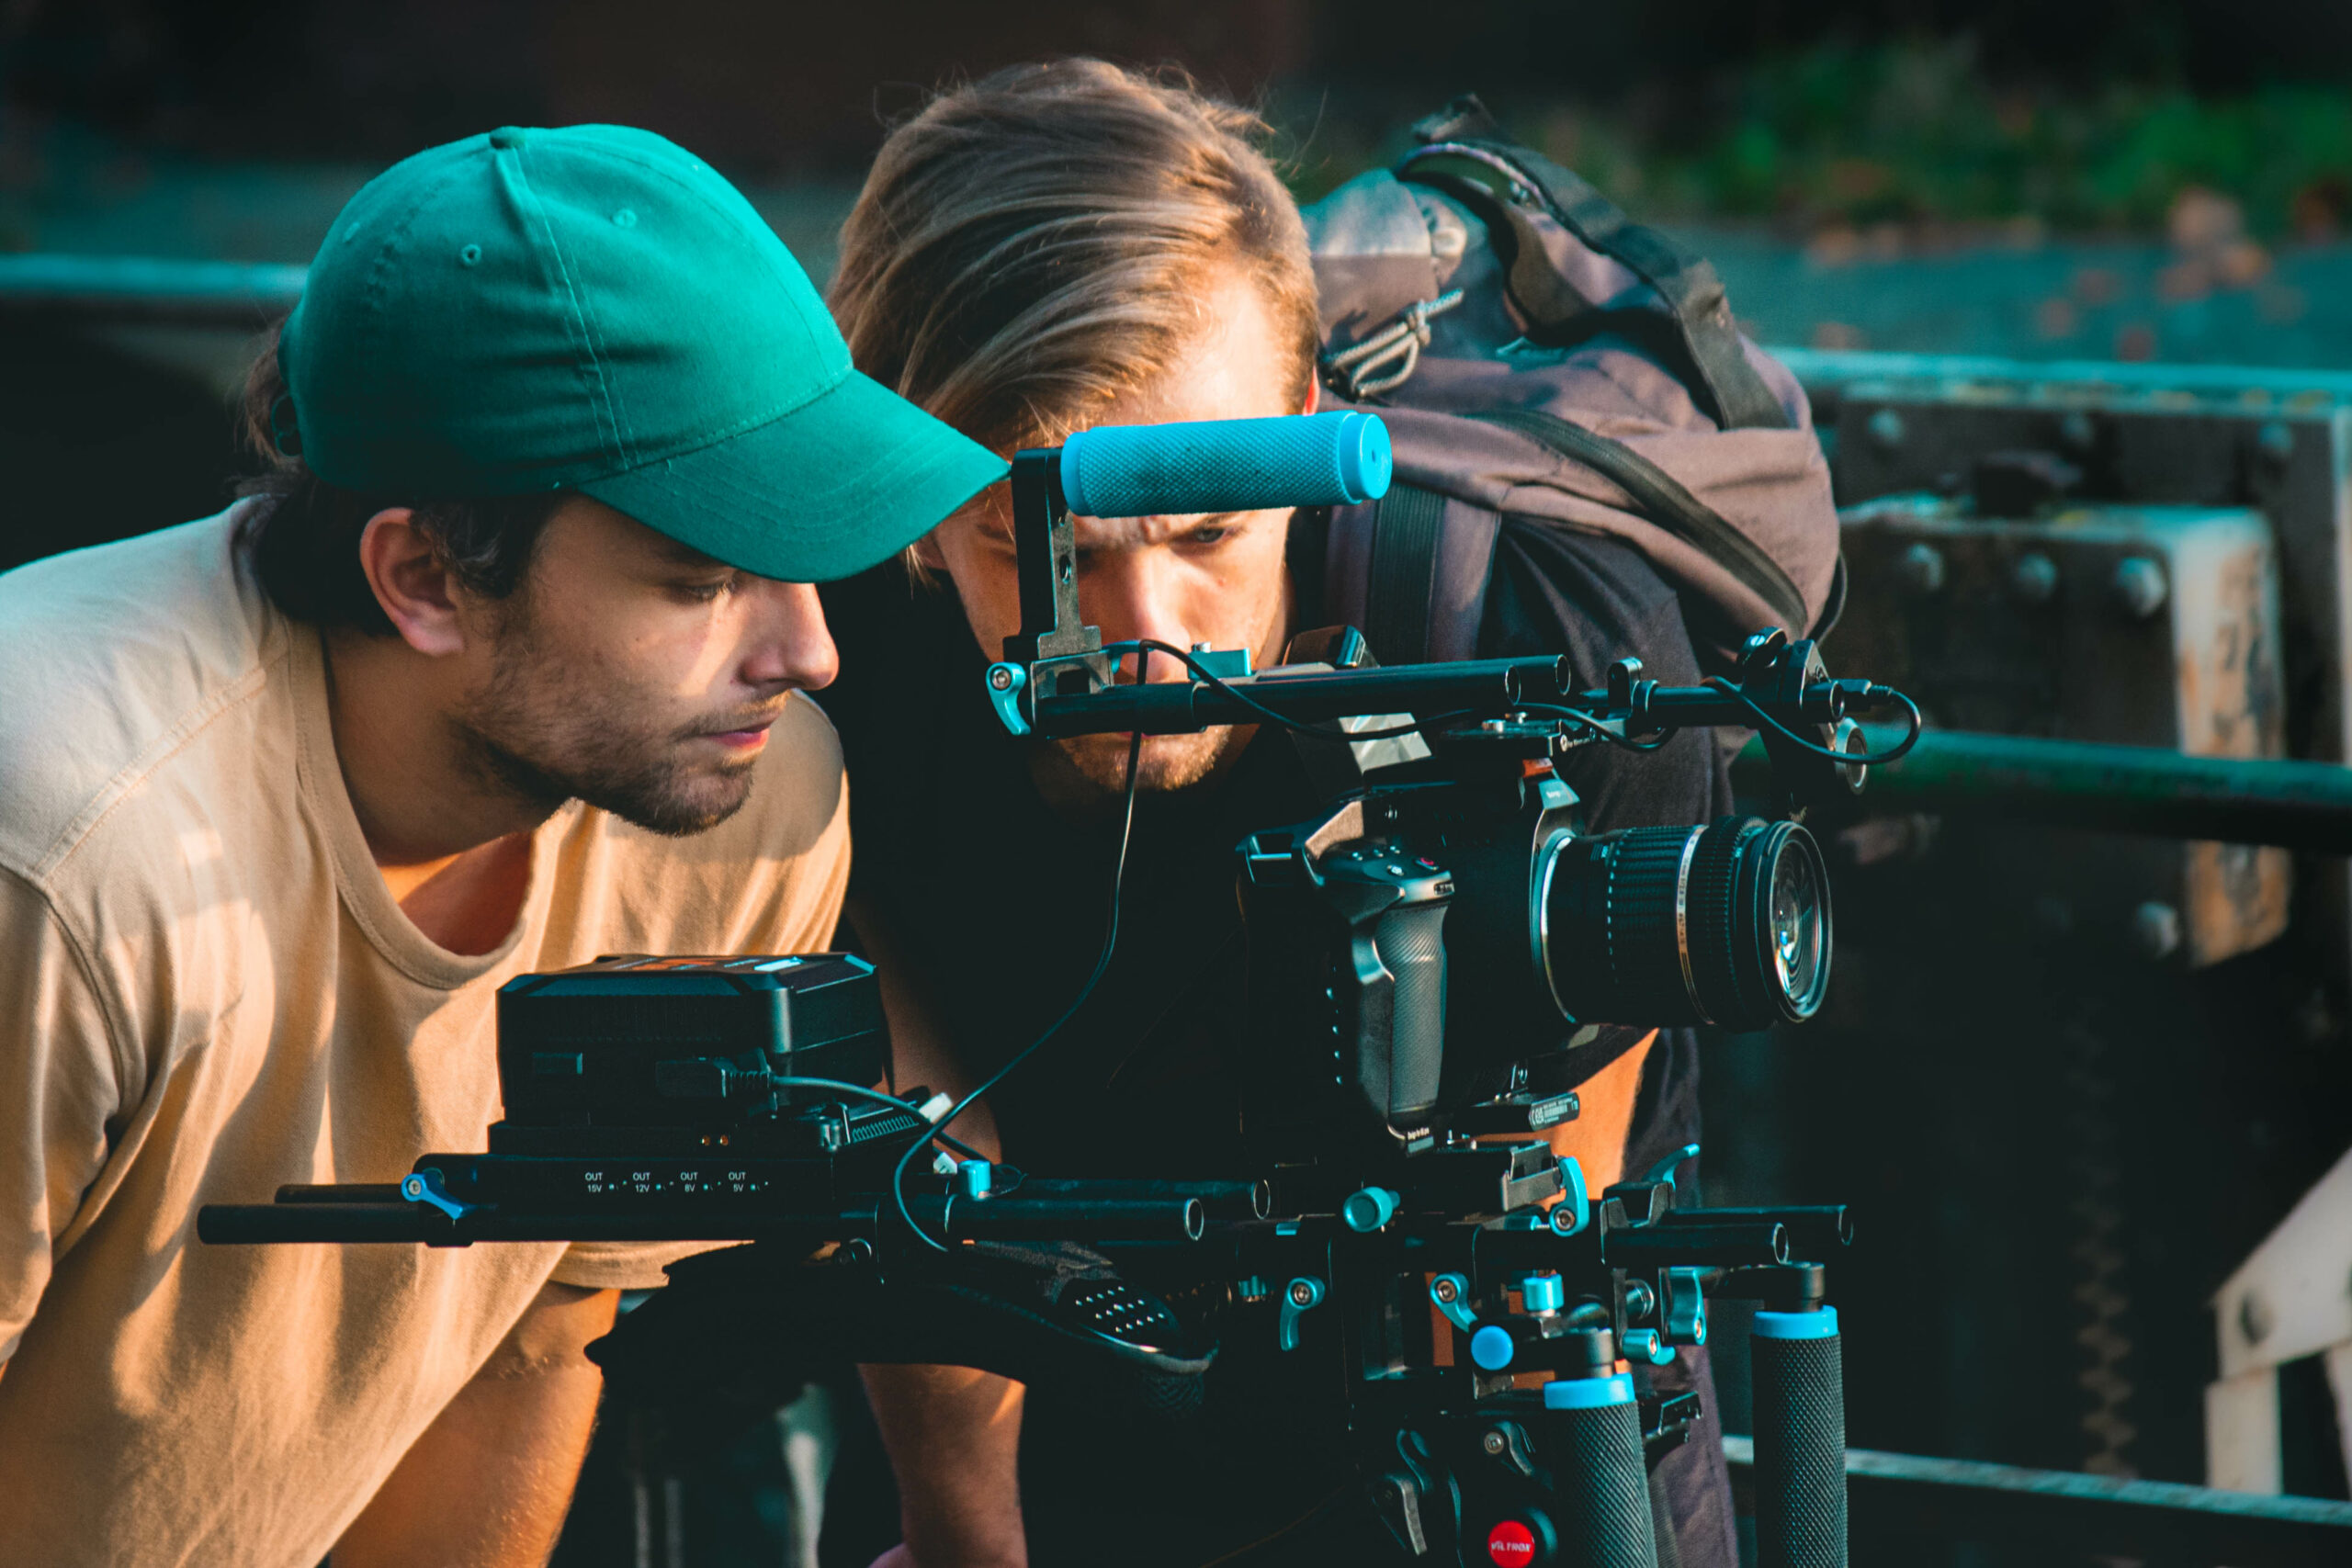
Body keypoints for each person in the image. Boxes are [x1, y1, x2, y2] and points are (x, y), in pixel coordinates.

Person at [815, 61, 1814, 1568]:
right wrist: (965, 1532)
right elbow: (910, 1153)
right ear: (909, 485)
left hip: (1503, 1397)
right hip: (999, 1396)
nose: (1147, 639)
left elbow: (1536, 1232)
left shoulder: (1532, 649)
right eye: (1040, 553)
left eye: (1209, 529)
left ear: (1301, 415)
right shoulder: (830, 644)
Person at [0, 123, 1002, 1567]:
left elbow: (539, 1325)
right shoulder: (66, 849)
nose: (810, 652)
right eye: (702, 576)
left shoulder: (740, 805)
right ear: (424, 576)